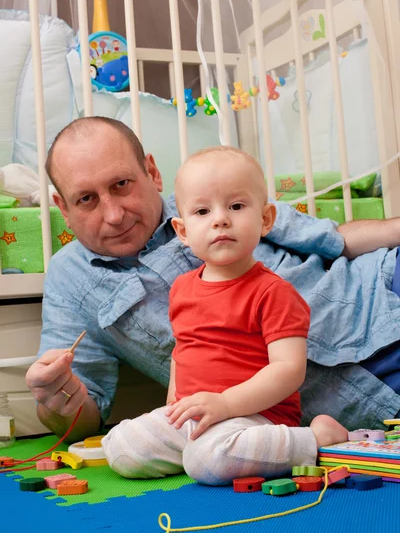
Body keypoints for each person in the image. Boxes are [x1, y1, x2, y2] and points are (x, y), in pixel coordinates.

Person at [26, 116, 400, 444]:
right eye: (87, 199)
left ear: (151, 173)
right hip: (356, 399)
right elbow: (81, 420)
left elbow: (335, 239)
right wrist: (59, 399)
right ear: (63, 207)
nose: (113, 214)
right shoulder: (70, 281)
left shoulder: (217, 187)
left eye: (122, 184)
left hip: (379, 295)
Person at [101, 146, 348, 483]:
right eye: (202, 211)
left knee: (207, 461)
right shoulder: (182, 289)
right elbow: (182, 349)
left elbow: (289, 370)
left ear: (265, 219)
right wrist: (175, 398)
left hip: (254, 416)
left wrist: (226, 404)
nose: (220, 218)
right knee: (123, 447)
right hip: (196, 414)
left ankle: (315, 439)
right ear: (183, 231)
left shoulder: (273, 292)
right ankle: (198, 448)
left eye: (235, 206)